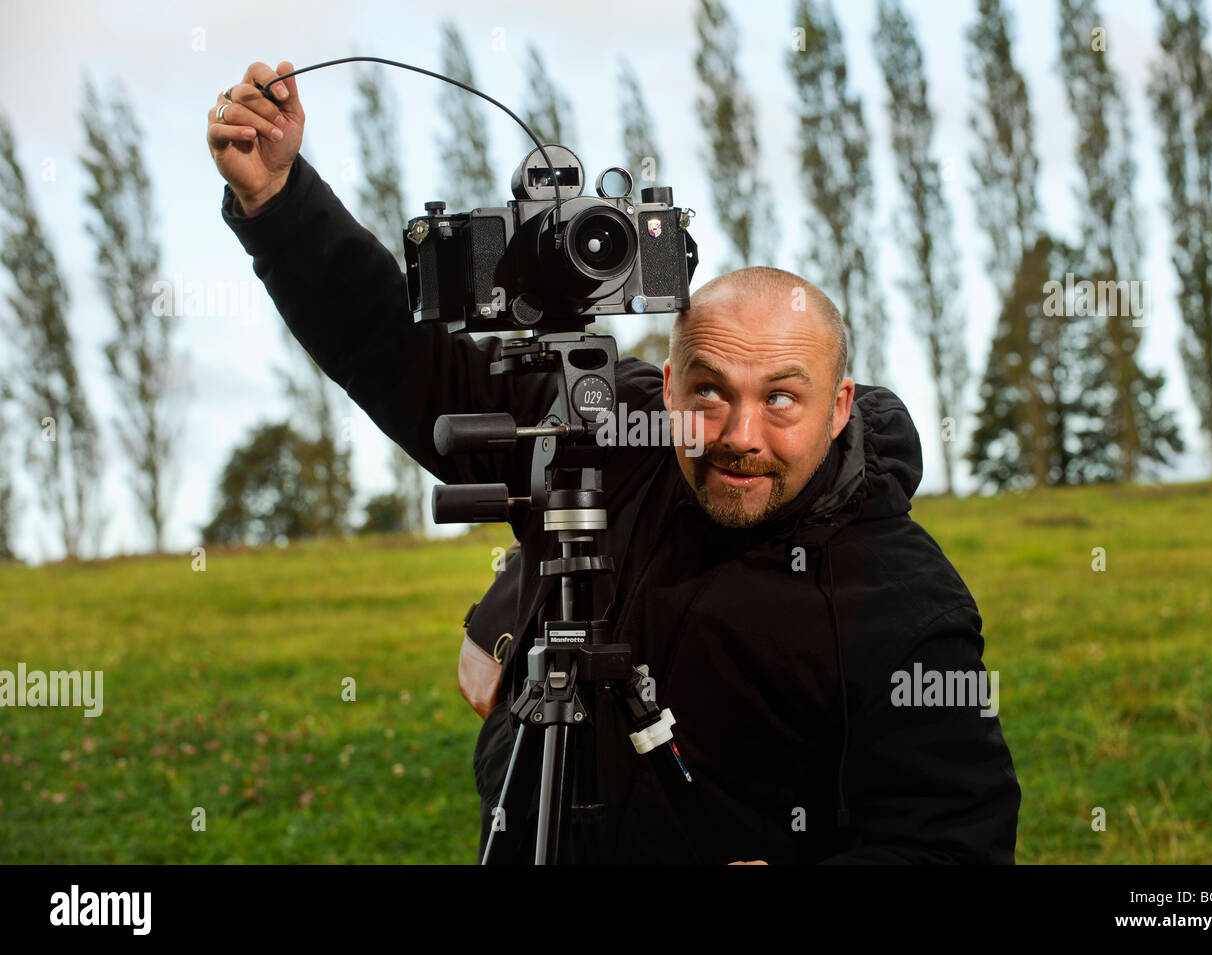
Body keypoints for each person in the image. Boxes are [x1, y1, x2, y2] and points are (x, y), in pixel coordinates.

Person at [209, 61, 1021, 865]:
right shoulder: (615, 433)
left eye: (781, 399)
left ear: (839, 406)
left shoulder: (902, 598)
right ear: (668, 388)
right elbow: (404, 357)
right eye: (709, 392)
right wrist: (276, 202)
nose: (738, 433)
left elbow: (955, 838)